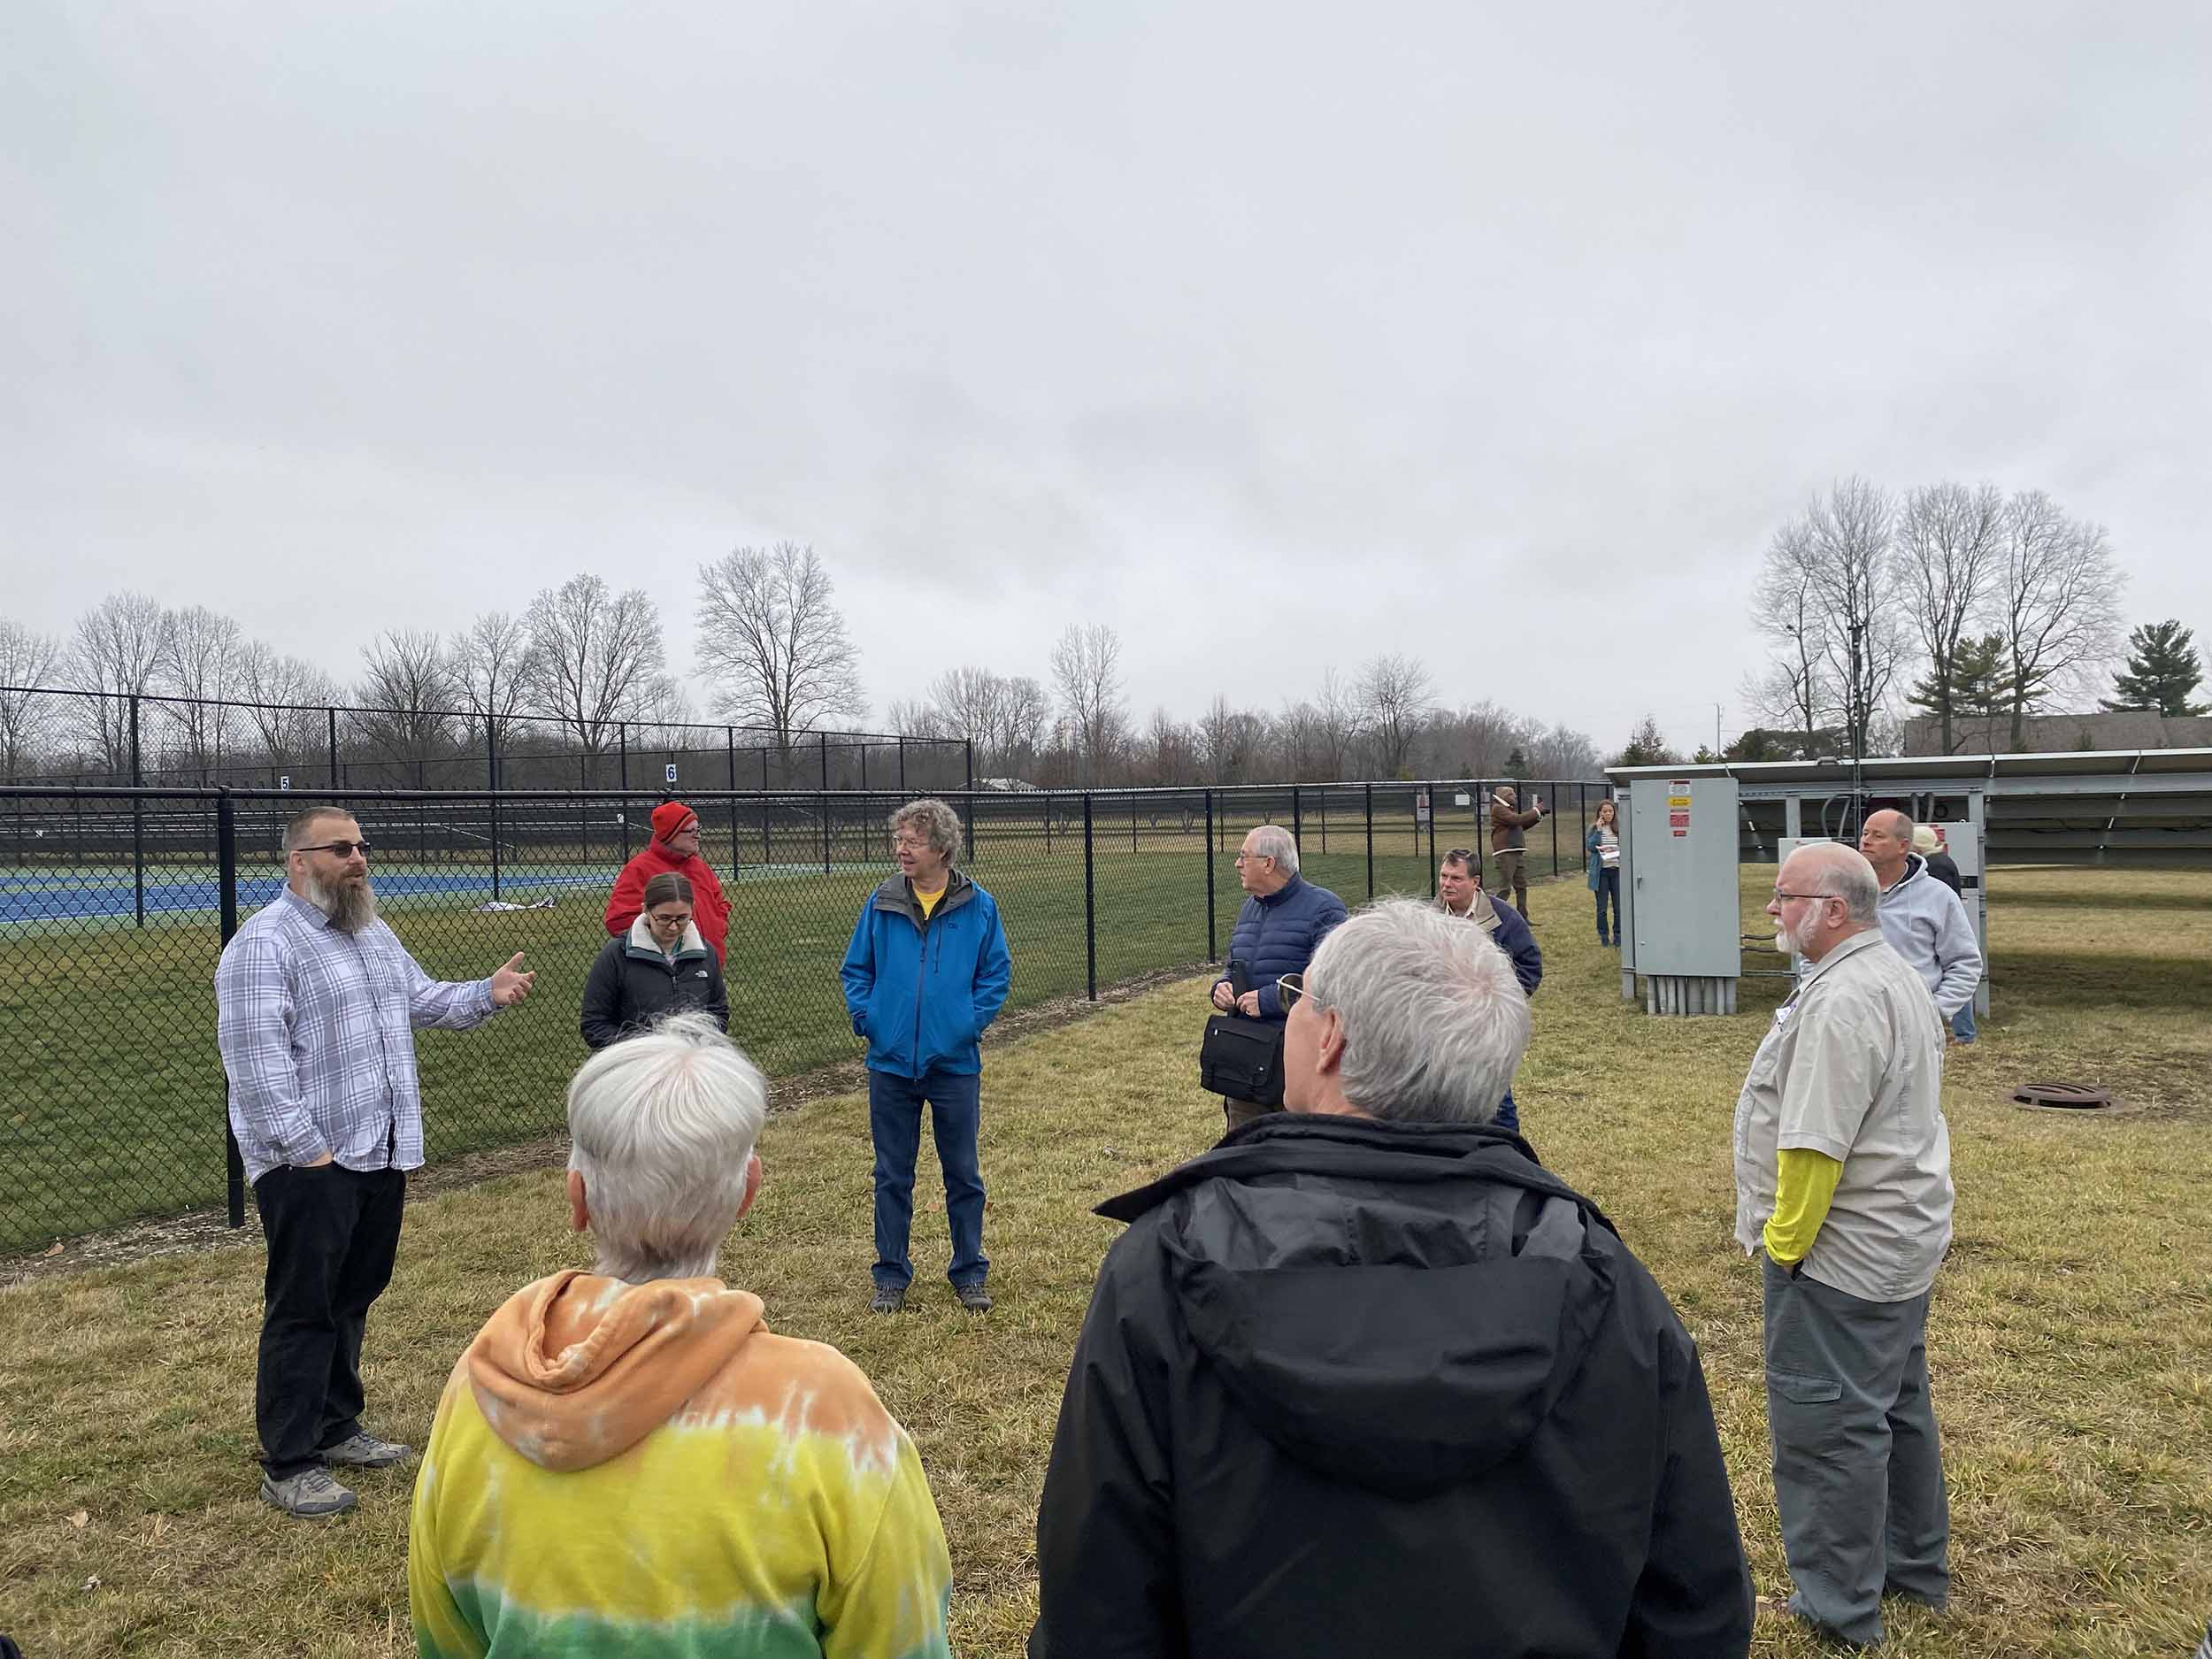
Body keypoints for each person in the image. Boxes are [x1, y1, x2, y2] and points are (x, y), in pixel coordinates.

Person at [1032, 900, 1753, 1658]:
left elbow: (1097, 1606)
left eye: (1297, 997)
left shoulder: (1165, 1266)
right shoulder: (1605, 1280)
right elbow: (1694, 1604)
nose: (1290, 1019)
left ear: (1331, 1038)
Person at [409, 1014, 954, 1659]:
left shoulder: (477, 1390)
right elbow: (901, 1636)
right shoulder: (826, 1409)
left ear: (576, 1195)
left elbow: (441, 1629)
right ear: (746, 1192)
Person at [216, 806, 535, 1519]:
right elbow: (257, 1066)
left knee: (354, 1292)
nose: (359, 858)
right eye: (341, 848)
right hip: (310, 1165)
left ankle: (336, 1425)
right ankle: (290, 1458)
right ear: (298, 860)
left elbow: (421, 1000)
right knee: (304, 1305)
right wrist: (311, 1154)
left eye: (362, 845)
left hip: (380, 1149)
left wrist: (485, 993)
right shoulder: (263, 946)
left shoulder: (372, 933)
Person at [1735, 841, 1953, 1648]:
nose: (1771, 910)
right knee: (1896, 1411)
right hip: (1901, 1240)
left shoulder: (1841, 1000)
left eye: (1784, 896)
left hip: (1843, 1257)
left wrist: (1785, 1247)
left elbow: (1813, 1147)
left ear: (1832, 909)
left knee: (1827, 1429)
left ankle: (1837, 1606)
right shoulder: (1892, 973)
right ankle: (1915, 1569)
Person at [841, 797, 1012, 1315]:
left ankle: (969, 1272)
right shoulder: (882, 902)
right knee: (892, 1174)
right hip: (890, 1066)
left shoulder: (979, 906)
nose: (901, 850)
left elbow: (995, 975)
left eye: (911, 842)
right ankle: (890, 1275)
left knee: (963, 1174)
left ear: (941, 847)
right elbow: (856, 971)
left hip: (955, 1066)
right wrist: (870, 1022)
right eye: (899, 841)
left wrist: (965, 1024)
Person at [1207, 825, 1348, 1133]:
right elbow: (1235, 966)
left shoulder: (1324, 909)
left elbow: (1337, 984)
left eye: (1244, 856)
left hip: (1296, 1065)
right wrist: (1221, 987)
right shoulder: (1249, 909)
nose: (1237, 863)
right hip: (1246, 1063)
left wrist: (1270, 1000)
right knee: (1242, 1152)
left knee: (1296, 1155)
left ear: (1269, 863)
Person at [1434, 846, 1540, 1133]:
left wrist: (1498, 1005)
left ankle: (1511, 1155)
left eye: (1456, 878)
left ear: (1475, 882)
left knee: (1496, 1102)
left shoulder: (1503, 918)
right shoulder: (1427, 919)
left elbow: (1530, 967)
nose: (1446, 884)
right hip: (1437, 1029)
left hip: (1483, 1030)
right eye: (1444, 876)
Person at [1859, 810, 1982, 1046]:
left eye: (1877, 835)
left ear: (1903, 846)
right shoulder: (1843, 892)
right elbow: (1815, 953)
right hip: (1852, 1028)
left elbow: (1965, 962)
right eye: (1865, 833)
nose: (1866, 840)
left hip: (1915, 1036)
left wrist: (1933, 1012)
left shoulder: (1938, 895)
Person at [580, 871, 729, 1048]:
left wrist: (697, 1045)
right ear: (646, 910)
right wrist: (644, 1051)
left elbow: (718, 1012)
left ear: (692, 909)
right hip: (636, 1065)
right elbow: (594, 1024)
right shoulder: (616, 955)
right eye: (664, 918)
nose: (673, 927)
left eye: (682, 918)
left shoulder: (706, 953)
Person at [606, 801, 733, 962]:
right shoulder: (639, 869)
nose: (697, 835)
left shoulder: (701, 868)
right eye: (690, 830)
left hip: (708, 963)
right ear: (670, 834)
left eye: (698, 829)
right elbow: (618, 920)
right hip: (663, 967)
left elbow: (719, 904)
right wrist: (662, 941)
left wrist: (718, 926)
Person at [1909, 823, 1977, 1041]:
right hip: (1946, 928)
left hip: (1940, 930)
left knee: (1952, 975)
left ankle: (1964, 1032)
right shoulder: (1942, 862)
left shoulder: (1935, 868)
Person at [1489, 783, 1548, 919]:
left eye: (1514, 794)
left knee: (1521, 886)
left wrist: (1539, 816)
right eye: (1510, 794)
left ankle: (1523, 918)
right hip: (1505, 853)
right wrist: (1535, 810)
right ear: (1503, 797)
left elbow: (1521, 825)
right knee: (1505, 888)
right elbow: (1517, 820)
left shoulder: (1508, 809)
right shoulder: (1498, 808)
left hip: (1517, 851)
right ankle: (1492, 918)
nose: (1514, 796)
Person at [1586, 797, 1623, 947]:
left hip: (1617, 870)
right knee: (1602, 908)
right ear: (1600, 813)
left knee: (1618, 907)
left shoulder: (1620, 827)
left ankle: (1618, 936)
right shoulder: (1595, 829)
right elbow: (1590, 847)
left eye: (1610, 811)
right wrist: (1599, 831)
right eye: (1605, 811)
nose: (1608, 814)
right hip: (1601, 872)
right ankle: (1604, 937)